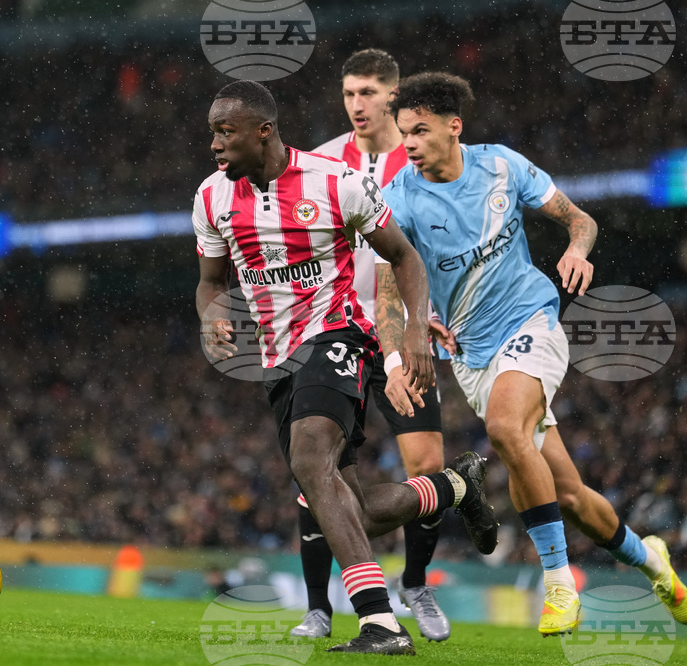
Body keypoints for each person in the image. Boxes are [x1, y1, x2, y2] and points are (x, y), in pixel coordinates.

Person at [379, 71, 687, 636]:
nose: (409, 144)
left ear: (454, 127)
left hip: (531, 318)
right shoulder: (400, 196)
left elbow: (580, 219)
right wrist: (405, 341)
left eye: (420, 131)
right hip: (472, 354)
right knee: (569, 495)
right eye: (403, 133)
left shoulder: (502, 165)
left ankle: (558, 584)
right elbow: (387, 286)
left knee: (505, 429)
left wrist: (577, 249)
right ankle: (654, 564)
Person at [193, 79, 498, 655]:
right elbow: (210, 283)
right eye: (213, 132)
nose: (215, 144)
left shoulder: (335, 181)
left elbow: (404, 256)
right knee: (346, 506)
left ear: (264, 132)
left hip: (336, 334)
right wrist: (212, 316)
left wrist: (413, 327)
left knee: (311, 457)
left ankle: (379, 622)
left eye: (226, 132)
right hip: (277, 360)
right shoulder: (211, 197)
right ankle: (454, 486)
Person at [289, 49, 450, 643]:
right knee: (317, 467)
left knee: (426, 464)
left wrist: (427, 315)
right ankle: (318, 608)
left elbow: (429, 245)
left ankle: (416, 583)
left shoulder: (419, 157)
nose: (356, 105)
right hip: (335, 329)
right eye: (348, 93)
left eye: (368, 93)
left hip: (401, 330)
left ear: (393, 95)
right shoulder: (322, 161)